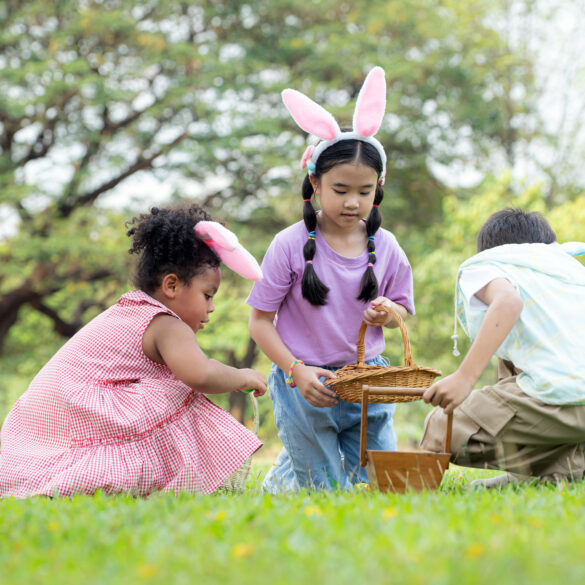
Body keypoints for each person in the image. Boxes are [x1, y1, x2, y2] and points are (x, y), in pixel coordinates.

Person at [0, 204, 267, 498]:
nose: (212, 307)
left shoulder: (130, 308)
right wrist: (242, 376)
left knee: (166, 387)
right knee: (176, 390)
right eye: (207, 295)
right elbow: (201, 374)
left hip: (49, 413)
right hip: (77, 407)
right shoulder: (166, 323)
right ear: (171, 285)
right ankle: (120, 478)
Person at [247, 67, 415, 492]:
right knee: (324, 488)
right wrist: (295, 371)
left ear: (379, 187)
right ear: (315, 183)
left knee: (381, 483)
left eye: (364, 190)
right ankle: (288, 475)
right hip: (304, 381)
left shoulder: (387, 245)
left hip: (367, 380)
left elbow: (401, 310)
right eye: (340, 189)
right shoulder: (288, 245)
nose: (353, 202)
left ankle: (299, 465)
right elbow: (259, 322)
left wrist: (388, 313)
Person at [421, 208, 585, 487]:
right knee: (510, 357)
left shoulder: (488, 266)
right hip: (570, 406)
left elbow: (508, 303)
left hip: (561, 396)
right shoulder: (571, 271)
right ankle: (561, 470)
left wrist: (464, 378)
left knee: (439, 426)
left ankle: (412, 484)